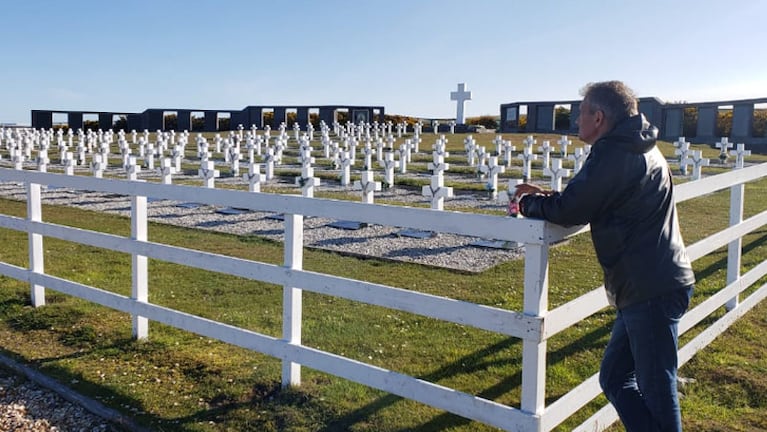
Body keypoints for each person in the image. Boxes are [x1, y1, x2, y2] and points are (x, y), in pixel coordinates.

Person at [514, 81, 695, 431]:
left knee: (657, 391)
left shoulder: (615, 151)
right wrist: (550, 194)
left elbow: (572, 209)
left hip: (649, 287)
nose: (576, 121)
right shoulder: (638, 145)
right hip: (648, 283)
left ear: (598, 117)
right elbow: (596, 195)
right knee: (614, 378)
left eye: (580, 113)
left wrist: (527, 204)